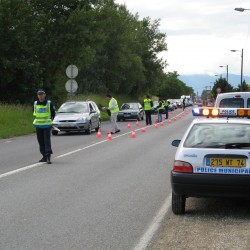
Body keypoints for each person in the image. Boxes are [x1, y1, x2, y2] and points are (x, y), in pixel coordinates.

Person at [33, 89, 55, 164]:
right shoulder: (35, 103)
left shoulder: (49, 103)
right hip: (38, 125)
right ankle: (44, 156)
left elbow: (53, 113)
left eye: (42, 94)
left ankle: (48, 157)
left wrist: (50, 121)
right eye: (39, 95)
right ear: (37, 96)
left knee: (47, 141)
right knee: (40, 142)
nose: (41, 96)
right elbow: (34, 113)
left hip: (46, 125)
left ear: (45, 95)